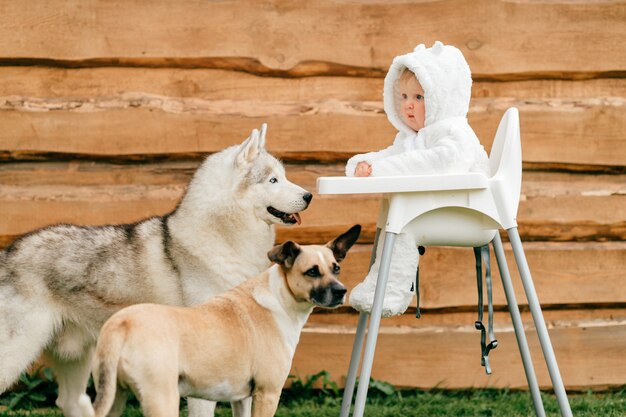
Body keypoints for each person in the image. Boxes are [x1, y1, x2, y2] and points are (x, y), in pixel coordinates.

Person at [346, 41, 490, 317]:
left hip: (471, 213)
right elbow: (392, 156)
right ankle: (379, 284)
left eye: (419, 98)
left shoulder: (454, 132)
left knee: (403, 223)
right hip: (440, 209)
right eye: (403, 97)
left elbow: (441, 163)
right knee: (394, 217)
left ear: (442, 97)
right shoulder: (413, 138)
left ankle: (390, 291)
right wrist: (365, 165)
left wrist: (383, 170)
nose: (408, 106)